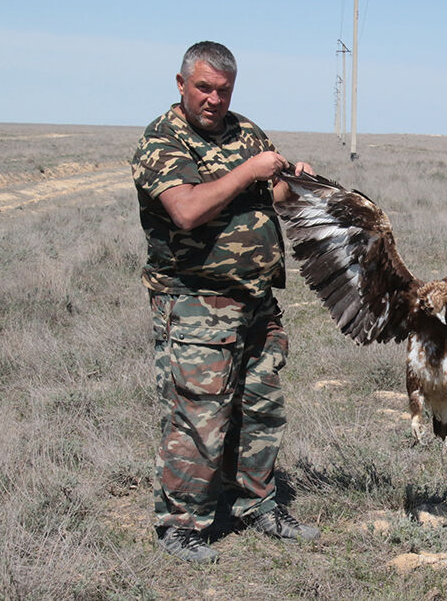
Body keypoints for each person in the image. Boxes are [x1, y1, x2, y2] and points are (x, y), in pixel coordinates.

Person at [131, 41, 319, 563]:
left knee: (260, 409)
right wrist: (250, 170)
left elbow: (273, 194)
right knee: (200, 415)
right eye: (204, 88)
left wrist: (291, 183)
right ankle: (181, 523)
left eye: (224, 90)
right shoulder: (161, 141)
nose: (214, 99)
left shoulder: (247, 132)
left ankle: (256, 503)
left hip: (257, 301)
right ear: (181, 84)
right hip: (195, 303)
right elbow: (186, 210)